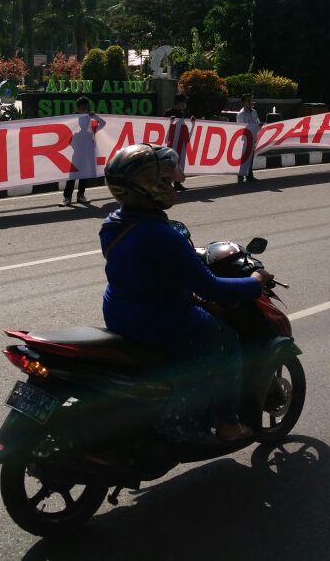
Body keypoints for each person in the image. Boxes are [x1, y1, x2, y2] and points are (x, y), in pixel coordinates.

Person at [99, 143, 273, 442]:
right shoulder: (163, 235)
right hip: (160, 319)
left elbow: (147, 274)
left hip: (119, 313)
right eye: (166, 182)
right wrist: (255, 282)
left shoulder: (113, 224)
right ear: (148, 187)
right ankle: (228, 423)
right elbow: (212, 287)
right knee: (227, 342)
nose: (173, 187)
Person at [61, 96, 106, 206]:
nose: (84, 111)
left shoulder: (92, 127)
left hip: (87, 154)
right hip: (76, 155)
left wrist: (94, 116)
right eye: (81, 109)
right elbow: (66, 138)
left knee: (84, 176)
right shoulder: (73, 124)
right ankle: (67, 198)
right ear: (77, 108)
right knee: (72, 177)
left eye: (85, 109)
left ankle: (81, 196)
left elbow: (103, 123)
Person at [163, 93, 191, 192]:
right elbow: (163, 126)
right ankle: (166, 184)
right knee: (169, 163)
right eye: (182, 102)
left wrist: (192, 122)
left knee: (179, 162)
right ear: (177, 103)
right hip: (170, 143)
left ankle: (177, 183)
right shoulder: (168, 113)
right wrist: (170, 121)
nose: (184, 104)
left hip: (179, 143)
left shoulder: (182, 113)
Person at [235, 93, 260, 183]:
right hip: (244, 140)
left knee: (250, 157)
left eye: (251, 100)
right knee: (243, 158)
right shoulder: (241, 114)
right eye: (248, 101)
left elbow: (257, 122)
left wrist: (260, 125)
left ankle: (249, 175)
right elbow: (240, 128)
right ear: (243, 103)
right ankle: (240, 177)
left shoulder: (254, 112)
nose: (251, 102)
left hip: (253, 139)